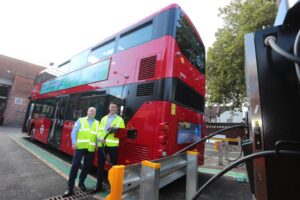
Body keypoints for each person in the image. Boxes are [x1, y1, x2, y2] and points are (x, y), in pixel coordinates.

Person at [63, 107, 98, 197]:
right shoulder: (81, 120)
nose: (92, 112)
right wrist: (74, 143)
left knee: (87, 166)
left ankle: (81, 183)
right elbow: (74, 132)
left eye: (94, 111)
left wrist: (97, 143)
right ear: (87, 111)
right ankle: (70, 188)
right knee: (75, 165)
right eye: (91, 111)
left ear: (95, 113)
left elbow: (98, 135)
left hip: (90, 148)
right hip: (80, 146)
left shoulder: (97, 123)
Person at [93, 102, 125, 193]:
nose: (113, 108)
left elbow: (122, 133)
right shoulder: (103, 118)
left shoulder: (120, 120)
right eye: (111, 106)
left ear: (117, 109)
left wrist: (116, 130)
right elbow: (99, 130)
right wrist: (99, 138)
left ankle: (113, 188)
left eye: (115, 107)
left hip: (113, 146)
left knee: (113, 167)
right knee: (100, 166)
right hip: (102, 145)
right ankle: (98, 186)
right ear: (109, 107)